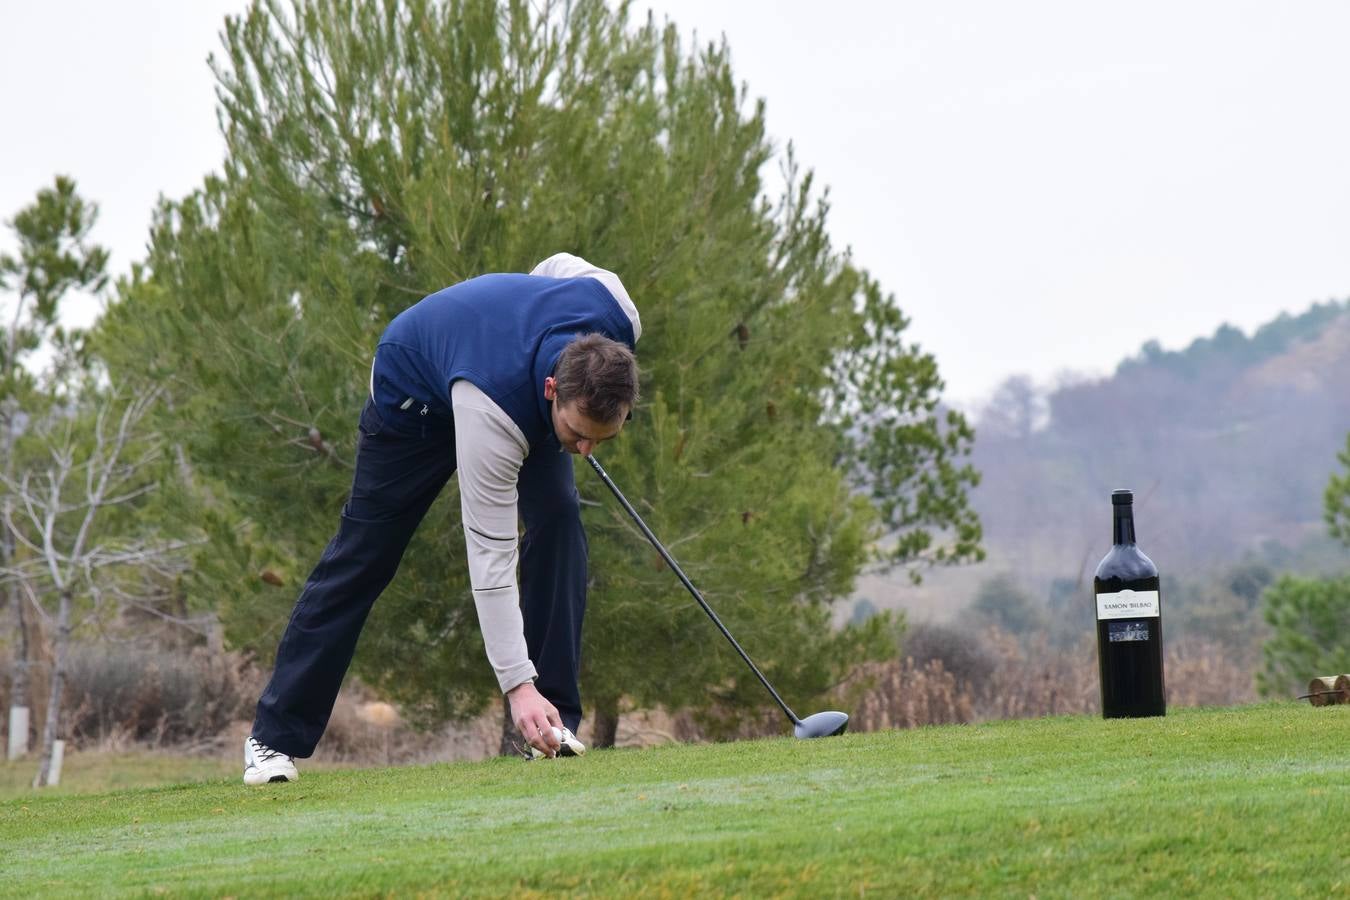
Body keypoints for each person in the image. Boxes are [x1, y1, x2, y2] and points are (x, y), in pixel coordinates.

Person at [243, 253, 641, 785]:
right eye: (577, 435)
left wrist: (522, 306)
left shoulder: (615, 309)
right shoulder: (492, 415)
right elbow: (491, 558)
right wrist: (517, 684)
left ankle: (556, 722)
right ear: (554, 390)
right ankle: (272, 740)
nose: (587, 449)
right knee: (365, 559)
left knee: (561, 518)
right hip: (414, 401)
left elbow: (557, 267)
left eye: (602, 437)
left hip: (503, 378)